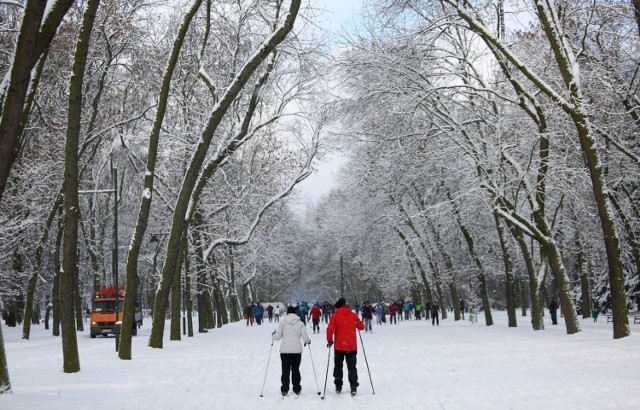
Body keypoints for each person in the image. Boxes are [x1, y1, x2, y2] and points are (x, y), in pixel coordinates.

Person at [326, 298, 365, 396]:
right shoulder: (353, 315)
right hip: (351, 347)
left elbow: (330, 330)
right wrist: (356, 323)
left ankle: (338, 386)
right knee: (352, 367)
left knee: (338, 367)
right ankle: (353, 386)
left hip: (339, 347)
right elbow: (361, 327)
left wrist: (330, 340)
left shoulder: (335, 316)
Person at [272, 306, 311, 397]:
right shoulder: (300, 323)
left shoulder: (283, 323)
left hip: (285, 351)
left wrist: (273, 335)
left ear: (287, 313)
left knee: (285, 370)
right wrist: (308, 341)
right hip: (296, 351)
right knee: (295, 370)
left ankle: (285, 389)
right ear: (296, 313)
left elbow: (277, 337)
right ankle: (296, 388)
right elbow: (304, 336)